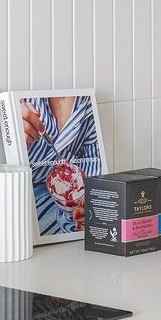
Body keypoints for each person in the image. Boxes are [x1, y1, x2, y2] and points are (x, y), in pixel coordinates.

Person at [20, 95, 102, 235]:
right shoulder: (26, 99)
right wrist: (8, 114)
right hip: (19, 200)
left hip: (63, 216)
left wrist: (92, 207)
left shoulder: (91, 110)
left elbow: (95, 184)